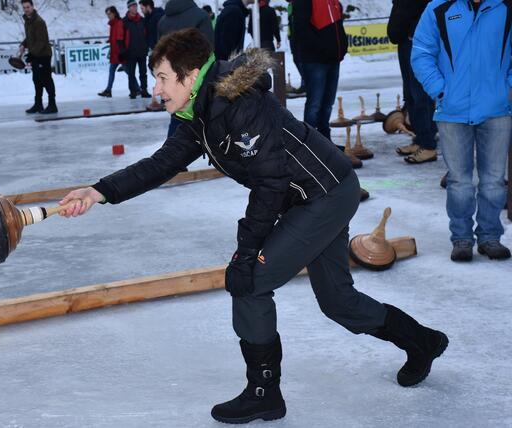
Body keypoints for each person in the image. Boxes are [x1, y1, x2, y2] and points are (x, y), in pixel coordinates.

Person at [58, 29, 448, 424]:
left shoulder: (238, 104)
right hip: (310, 196)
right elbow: (162, 163)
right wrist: (98, 192)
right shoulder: (202, 111)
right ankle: (423, 341)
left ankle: (263, 393)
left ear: (191, 76)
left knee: (249, 281)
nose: (156, 88)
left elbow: (270, 183)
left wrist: (247, 252)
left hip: (325, 193)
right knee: (338, 302)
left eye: (162, 78)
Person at [411, 0, 512, 261]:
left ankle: (490, 237)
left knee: (494, 181)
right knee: (460, 182)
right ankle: (462, 238)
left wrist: (507, 89)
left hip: (497, 109)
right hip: (452, 111)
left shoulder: (505, 6)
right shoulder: (439, 8)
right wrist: (441, 90)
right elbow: (421, 52)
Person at [388, 0, 438, 163]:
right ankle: (420, 140)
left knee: (420, 97)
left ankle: (428, 145)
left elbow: (429, 8)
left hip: (416, 42)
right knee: (410, 95)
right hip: (404, 41)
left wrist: (415, 30)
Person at [157, 0, 215, 136]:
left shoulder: (162, 21)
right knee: (210, 125)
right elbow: (209, 51)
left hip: (174, 82)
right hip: (198, 80)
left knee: (178, 126)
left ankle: (170, 155)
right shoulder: (201, 17)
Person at [292, 0, 347, 141]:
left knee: (328, 104)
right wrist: (323, 48)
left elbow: (338, 26)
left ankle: (325, 140)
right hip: (315, 60)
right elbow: (300, 29)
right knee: (315, 104)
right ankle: (309, 142)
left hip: (333, 59)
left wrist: (342, 46)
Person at [18, 0, 57, 114]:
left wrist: (31, 53)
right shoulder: (28, 21)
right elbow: (30, 38)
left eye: (28, 7)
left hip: (43, 55)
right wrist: (23, 44)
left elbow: (42, 41)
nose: (26, 9)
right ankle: (38, 104)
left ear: (32, 7)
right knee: (36, 80)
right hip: (36, 55)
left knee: (46, 79)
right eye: (24, 7)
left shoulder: (39, 22)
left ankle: (52, 105)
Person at [123, 0, 151, 99]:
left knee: (143, 73)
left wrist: (146, 46)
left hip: (142, 51)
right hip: (130, 52)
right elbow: (122, 38)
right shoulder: (124, 21)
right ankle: (133, 91)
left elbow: (147, 34)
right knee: (131, 74)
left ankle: (144, 90)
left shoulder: (142, 20)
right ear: (129, 8)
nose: (134, 8)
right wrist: (123, 50)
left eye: (135, 6)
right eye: (132, 6)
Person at [98, 6, 126, 98]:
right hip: (115, 52)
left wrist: (121, 52)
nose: (108, 16)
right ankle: (108, 90)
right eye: (107, 14)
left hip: (119, 53)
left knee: (128, 72)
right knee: (112, 71)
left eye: (109, 14)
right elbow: (114, 38)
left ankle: (138, 89)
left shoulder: (118, 23)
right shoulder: (113, 24)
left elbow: (119, 38)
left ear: (114, 13)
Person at [286, 0, 305, 93]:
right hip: (293, 39)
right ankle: (305, 82)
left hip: (300, 38)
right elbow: (291, 22)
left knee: (301, 61)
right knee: (297, 60)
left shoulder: (299, 4)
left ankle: (305, 84)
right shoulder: (290, 6)